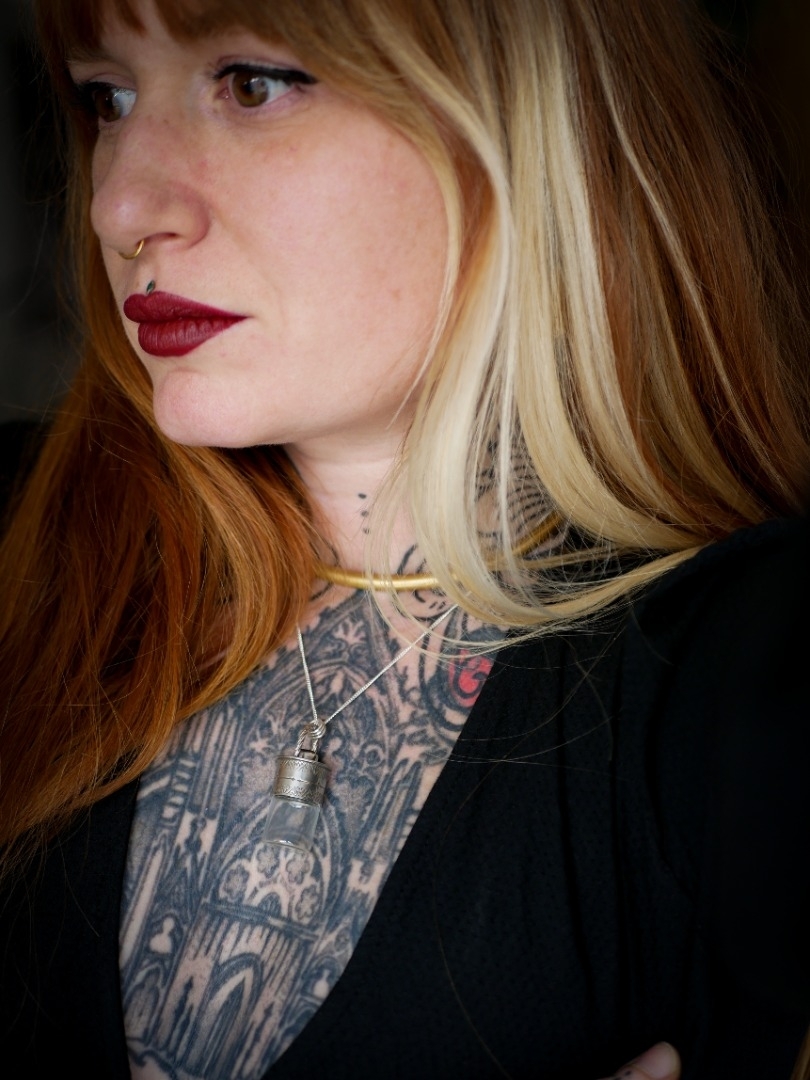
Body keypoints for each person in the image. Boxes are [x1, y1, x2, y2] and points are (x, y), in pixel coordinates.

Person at [0, 0, 808, 1077]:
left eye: (251, 84)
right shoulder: (19, 548)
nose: (120, 207)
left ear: (525, 112)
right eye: (107, 97)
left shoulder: (747, 673)